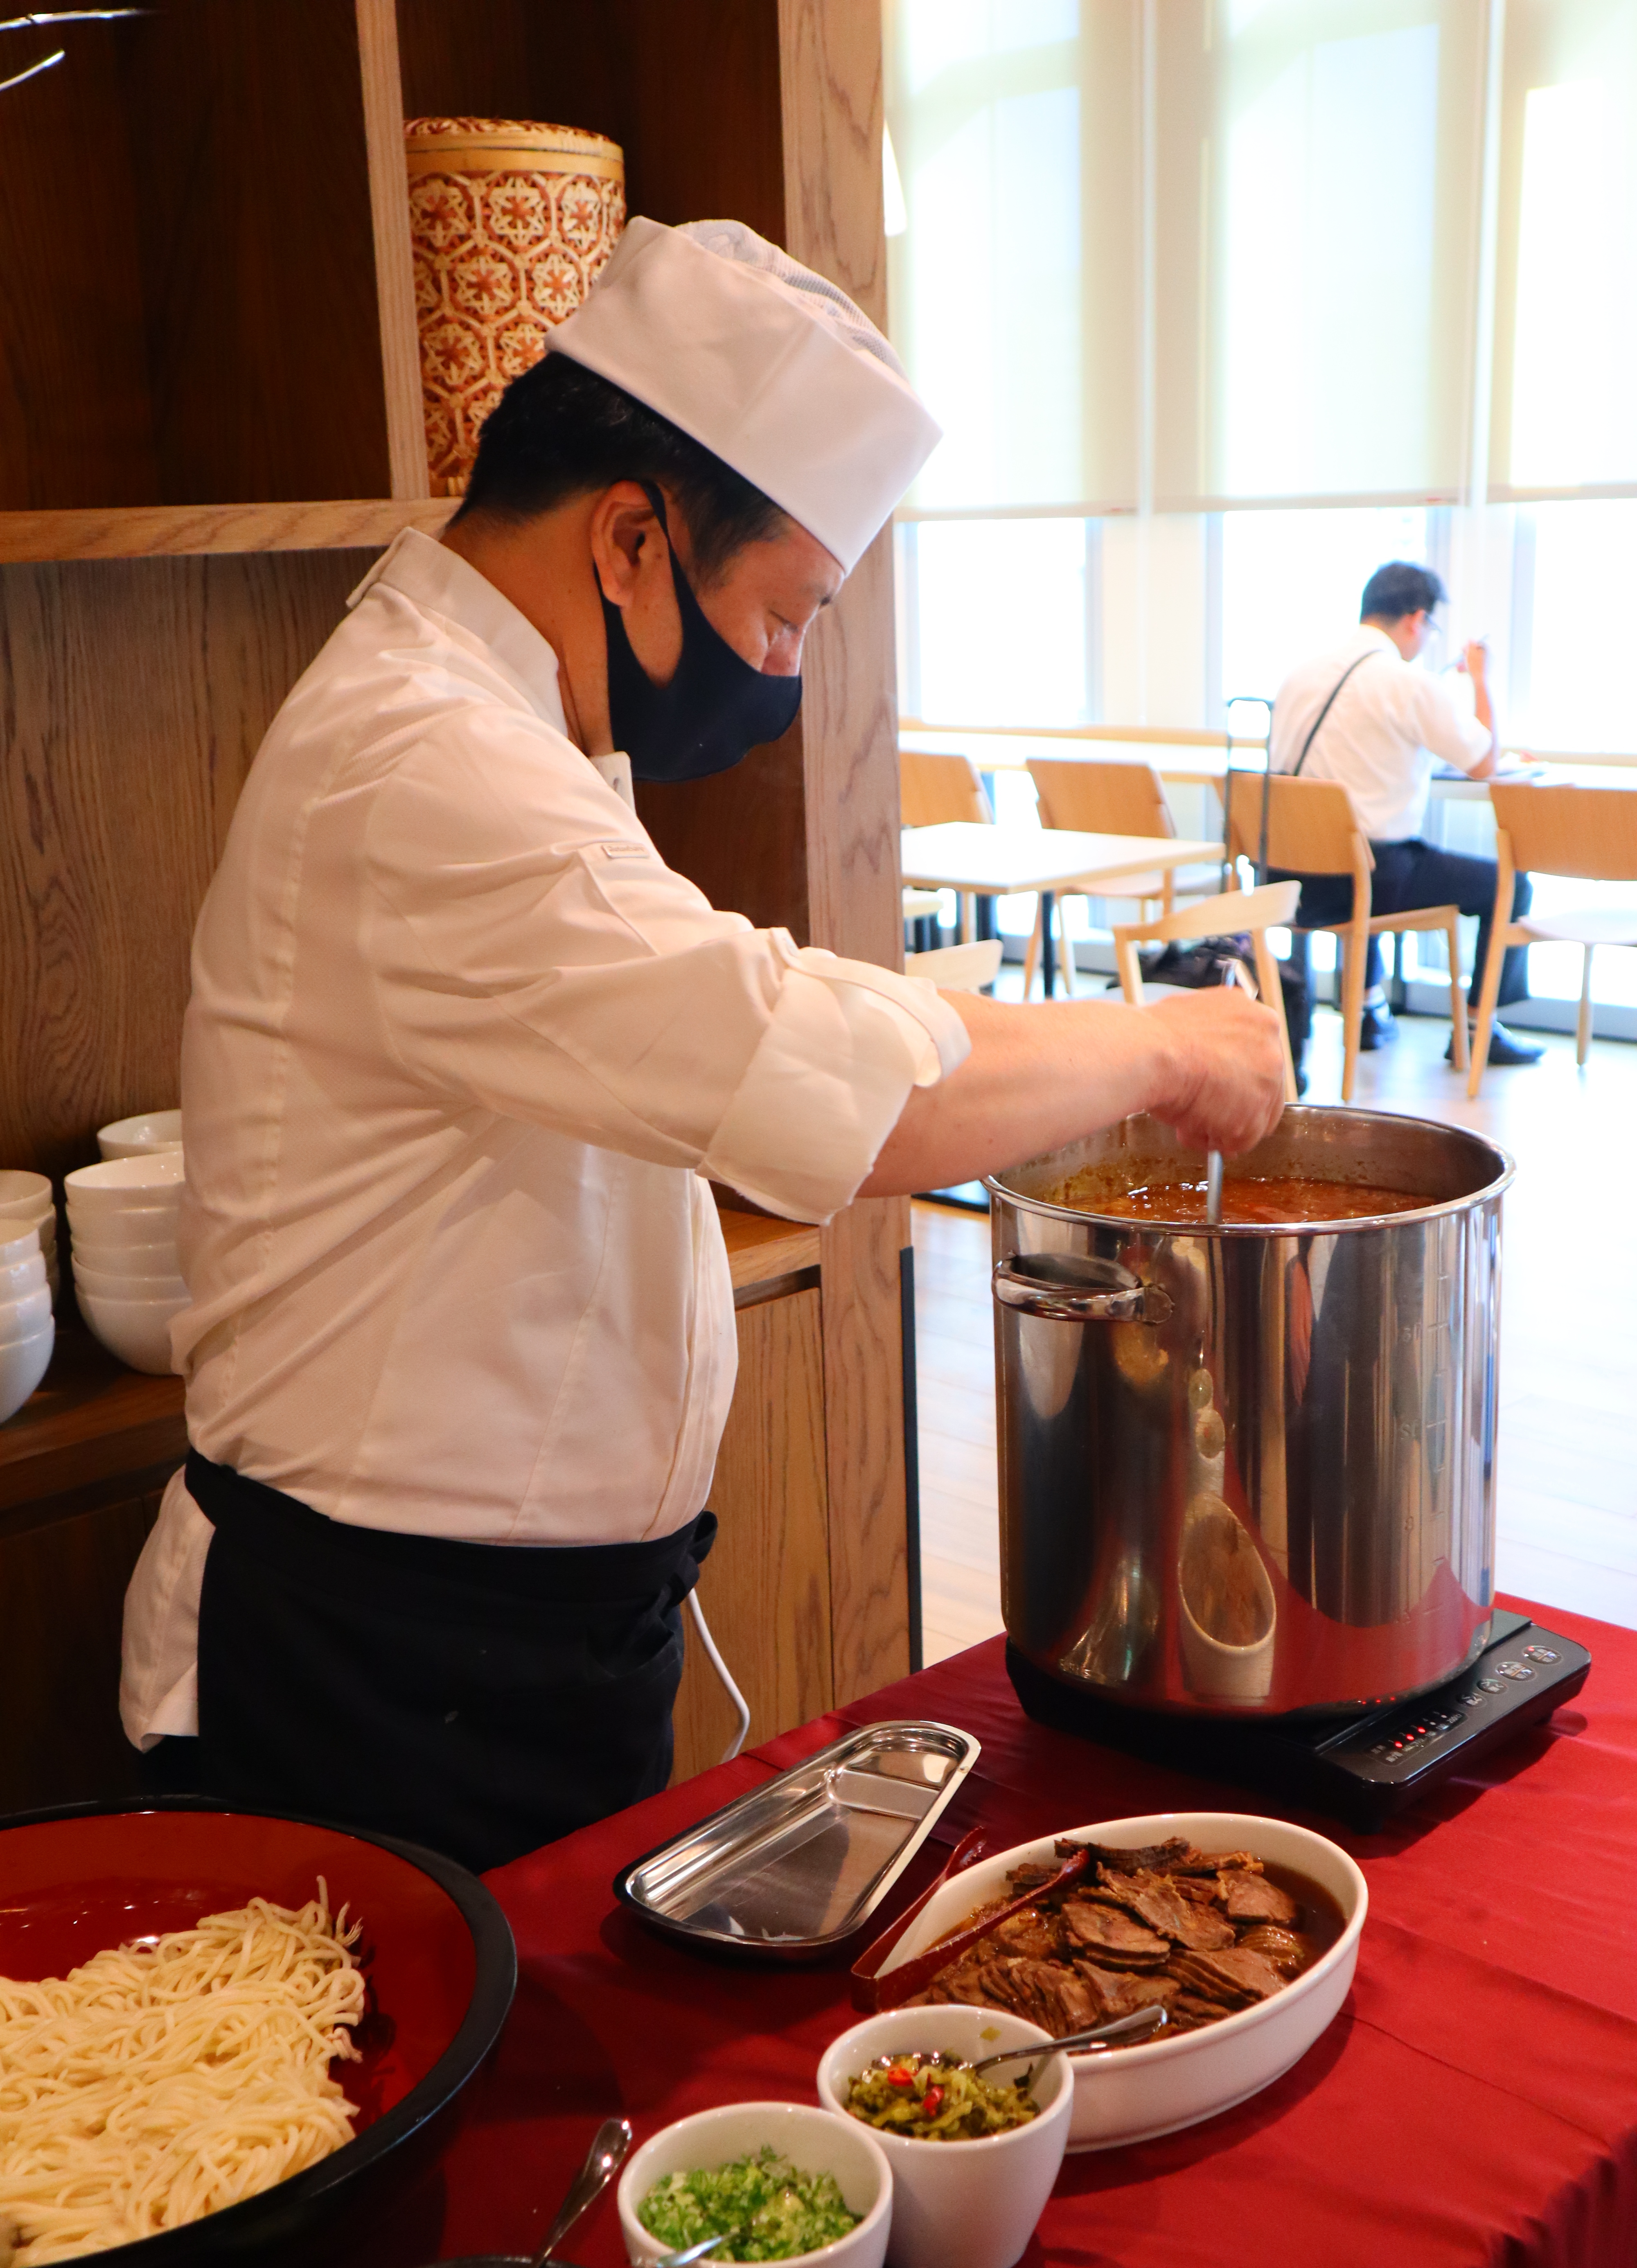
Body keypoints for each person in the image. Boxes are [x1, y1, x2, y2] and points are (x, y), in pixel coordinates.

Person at [120, 218, 1285, 1872]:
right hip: (376, 1663)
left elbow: (779, 999)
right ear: (628, 540)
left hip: (519, 1639)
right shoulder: (426, 765)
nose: (787, 670)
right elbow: (834, 1084)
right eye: (789, 613)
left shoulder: (526, 717)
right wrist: (1159, 1052)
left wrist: (1125, 1035)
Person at [1267, 561, 1539, 1064]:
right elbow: (1483, 762)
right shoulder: (1406, 682)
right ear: (1415, 619)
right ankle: (1478, 1032)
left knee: (1357, 846)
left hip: (1286, 881)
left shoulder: (1298, 676)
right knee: (1509, 884)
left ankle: (1370, 1011)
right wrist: (1479, 680)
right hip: (1366, 882)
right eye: (1429, 628)